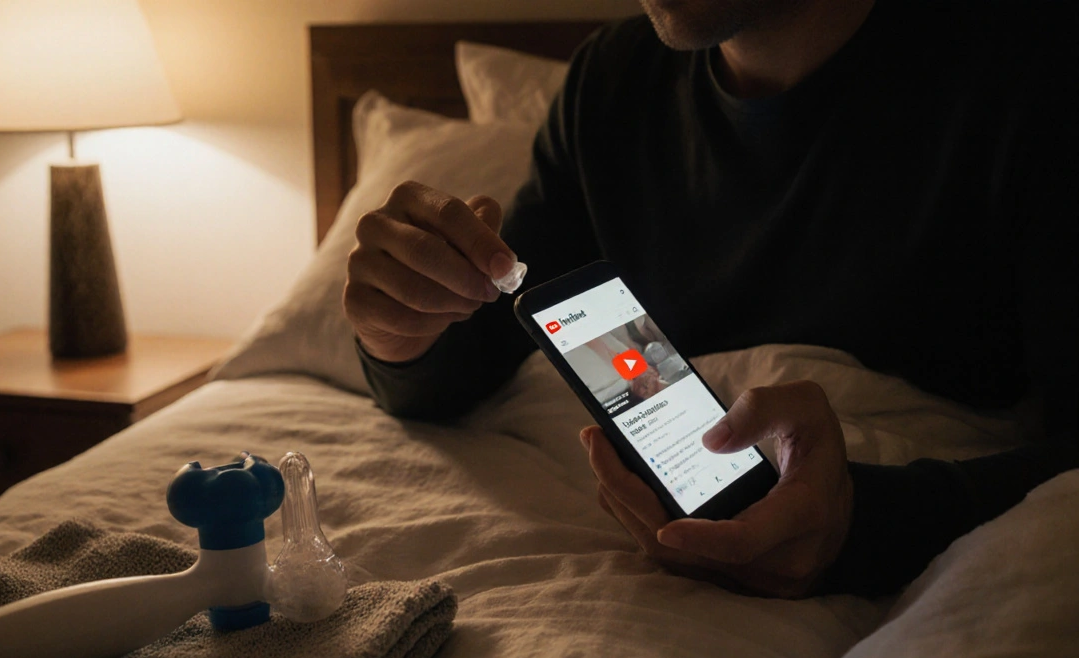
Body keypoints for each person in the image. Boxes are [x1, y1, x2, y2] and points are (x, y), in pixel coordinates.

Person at [343, 0, 1077, 598]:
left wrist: (862, 520)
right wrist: (398, 332)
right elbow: (468, 362)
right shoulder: (612, 84)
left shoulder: (1035, 74)